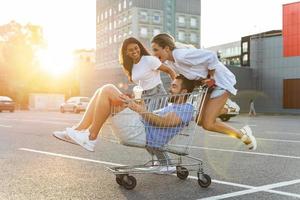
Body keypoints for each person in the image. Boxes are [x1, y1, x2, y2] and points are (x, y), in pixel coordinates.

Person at [53, 75, 195, 168]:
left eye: (174, 87)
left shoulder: (187, 109)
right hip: (139, 127)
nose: (170, 89)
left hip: (141, 133)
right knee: (101, 91)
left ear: (184, 92)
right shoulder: (172, 106)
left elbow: (163, 123)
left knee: (108, 89)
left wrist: (138, 109)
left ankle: (90, 137)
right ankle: (79, 130)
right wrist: (140, 106)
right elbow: (152, 117)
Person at [150, 33, 257, 150]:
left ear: (166, 48)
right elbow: (187, 76)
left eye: (156, 50)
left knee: (208, 124)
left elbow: (211, 56)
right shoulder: (171, 62)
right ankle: (229, 112)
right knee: (199, 120)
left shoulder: (180, 55)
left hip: (219, 82)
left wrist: (210, 77)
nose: (154, 53)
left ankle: (240, 129)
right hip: (208, 86)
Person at [120, 37, 177, 110]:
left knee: (152, 118)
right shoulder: (131, 66)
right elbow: (140, 83)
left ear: (139, 48)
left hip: (157, 93)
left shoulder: (149, 60)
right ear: (126, 53)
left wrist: (175, 89)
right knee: (146, 119)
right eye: (131, 50)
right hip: (143, 97)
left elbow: (169, 70)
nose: (134, 51)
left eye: (136, 48)